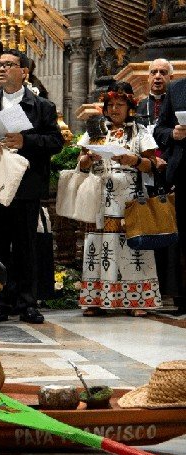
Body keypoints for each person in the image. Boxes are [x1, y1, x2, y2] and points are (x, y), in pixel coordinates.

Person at [0, 49, 63, 324]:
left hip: (26, 185)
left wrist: (26, 142)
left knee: (25, 244)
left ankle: (28, 302)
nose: (3, 68)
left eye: (10, 64)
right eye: (1, 64)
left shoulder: (42, 106)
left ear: (24, 71)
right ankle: (0, 302)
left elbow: (55, 142)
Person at [78, 81, 161, 316]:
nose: (115, 109)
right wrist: (87, 160)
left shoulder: (139, 131)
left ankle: (136, 301)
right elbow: (82, 163)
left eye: (120, 105)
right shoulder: (95, 131)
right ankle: (96, 300)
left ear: (129, 108)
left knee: (133, 246)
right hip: (101, 195)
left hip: (130, 198)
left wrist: (132, 160)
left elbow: (152, 166)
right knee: (99, 246)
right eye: (111, 105)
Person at [136, 59, 183, 309]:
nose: (157, 76)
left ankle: (169, 286)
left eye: (163, 73)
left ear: (170, 78)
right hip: (144, 170)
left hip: (171, 170)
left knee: (170, 228)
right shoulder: (139, 106)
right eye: (153, 72)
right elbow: (155, 132)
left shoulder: (175, 99)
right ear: (147, 77)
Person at [154, 75, 186, 308]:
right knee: (182, 238)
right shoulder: (176, 88)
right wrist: (172, 134)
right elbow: (159, 129)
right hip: (183, 171)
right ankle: (182, 295)